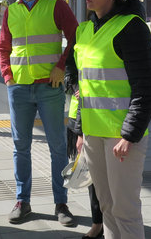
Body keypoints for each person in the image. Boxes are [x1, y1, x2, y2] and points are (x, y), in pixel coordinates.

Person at [65, 0, 151, 239]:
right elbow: (86, 88)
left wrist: (130, 136)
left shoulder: (131, 28)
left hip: (121, 137)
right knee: (106, 207)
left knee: (125, 209)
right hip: (93, 134)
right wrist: (81, 130)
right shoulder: (85, 30)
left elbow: (144, 89)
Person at [0, 0, 78, 225]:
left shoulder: (57, 6)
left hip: (49, 87)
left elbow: (76, 37)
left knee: (57, 147)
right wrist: (7, 76)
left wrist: (62, 66)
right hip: (18, 88)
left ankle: (61, 203)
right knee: (21, 147)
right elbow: (3, 48)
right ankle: (23, 201)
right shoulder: (11, 11)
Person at [66, 91, 103, 238]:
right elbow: (69, 74)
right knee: (93, 177)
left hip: (116, 119)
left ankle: (113, 223)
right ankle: (98, 224)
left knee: (116, 180)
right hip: (85, 116)